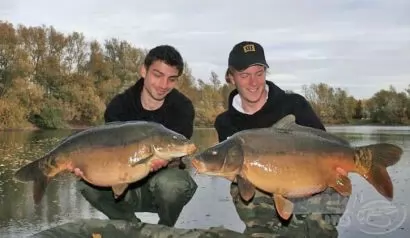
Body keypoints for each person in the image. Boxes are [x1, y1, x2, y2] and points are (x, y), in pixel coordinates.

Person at [214, 41, 349, 237]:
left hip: (309, 180)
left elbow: (323, 145)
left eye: (259, 74)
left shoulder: (294, 104)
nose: (253, 82)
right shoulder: (225, 122)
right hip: (262, 187)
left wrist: (337, 169)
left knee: (314, 230)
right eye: (244, 75)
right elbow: (233, 171)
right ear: (231, 77)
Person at [76, 45, 198, 227]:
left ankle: (164, 230)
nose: (164, 85)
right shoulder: (119, 106)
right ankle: (131, 228)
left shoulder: (183, 108)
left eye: (171, 79)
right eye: (157, 75)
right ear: (144, 71)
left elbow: (179, 153)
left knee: (172, 184)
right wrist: (86, 166)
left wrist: (164, 161)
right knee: (85, 184)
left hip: (161, 186)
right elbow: (108, 152)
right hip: (124, 185)